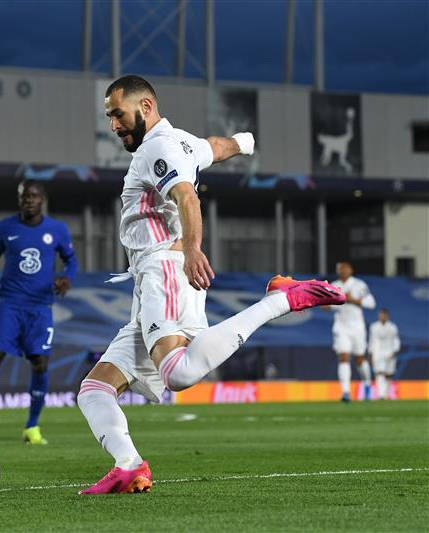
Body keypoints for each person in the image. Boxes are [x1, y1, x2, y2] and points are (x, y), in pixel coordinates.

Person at [76, 75, 345, 495]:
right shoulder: (182, 143)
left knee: (178, 373)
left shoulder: (159, 149)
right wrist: (244, 142)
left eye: (117, 114)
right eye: (109, 116)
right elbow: (214, 148)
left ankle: (279, 300)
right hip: (155, 276)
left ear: (145, 106)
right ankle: (128, 465)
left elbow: (187, 196)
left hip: (163, 267)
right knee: (95, 388)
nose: (113, 124)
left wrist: (192, 249)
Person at [0, 180, 77, 445]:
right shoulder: (6, 227)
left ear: (42, 199)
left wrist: (67, 278)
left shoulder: (57, 229)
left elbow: (71, 259)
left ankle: (32, 426)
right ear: (19, 199)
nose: (29, 200)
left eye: (34, 196)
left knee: (41, 363)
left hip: (40, 307)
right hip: (10, 304)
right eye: (24, 196)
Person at [330, 261, 376, 402]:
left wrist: (352, 300)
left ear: (350, 270)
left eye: (345, 268)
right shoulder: (333, 286)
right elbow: (324, 306)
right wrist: (340, 300)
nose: (342, 271)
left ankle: (367, 384)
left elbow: (371, 303)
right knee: (343, 357)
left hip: (357, 327)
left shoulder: (359, 285)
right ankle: (345, 392)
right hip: (341, 326)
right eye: (340, 269)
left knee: (359, 359)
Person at [369, 308, 400, 400]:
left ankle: (386, 393)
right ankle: (381, 395)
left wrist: (395, 350)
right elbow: (372, 340)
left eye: (384, 315)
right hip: (378, 353)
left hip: (390, 352)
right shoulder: (374, 327)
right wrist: (370, 352)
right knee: (379, 372)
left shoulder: (392, 327)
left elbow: (396, 339)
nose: (382, 316)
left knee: (389, 374)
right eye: (380, 315)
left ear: (387, 316)